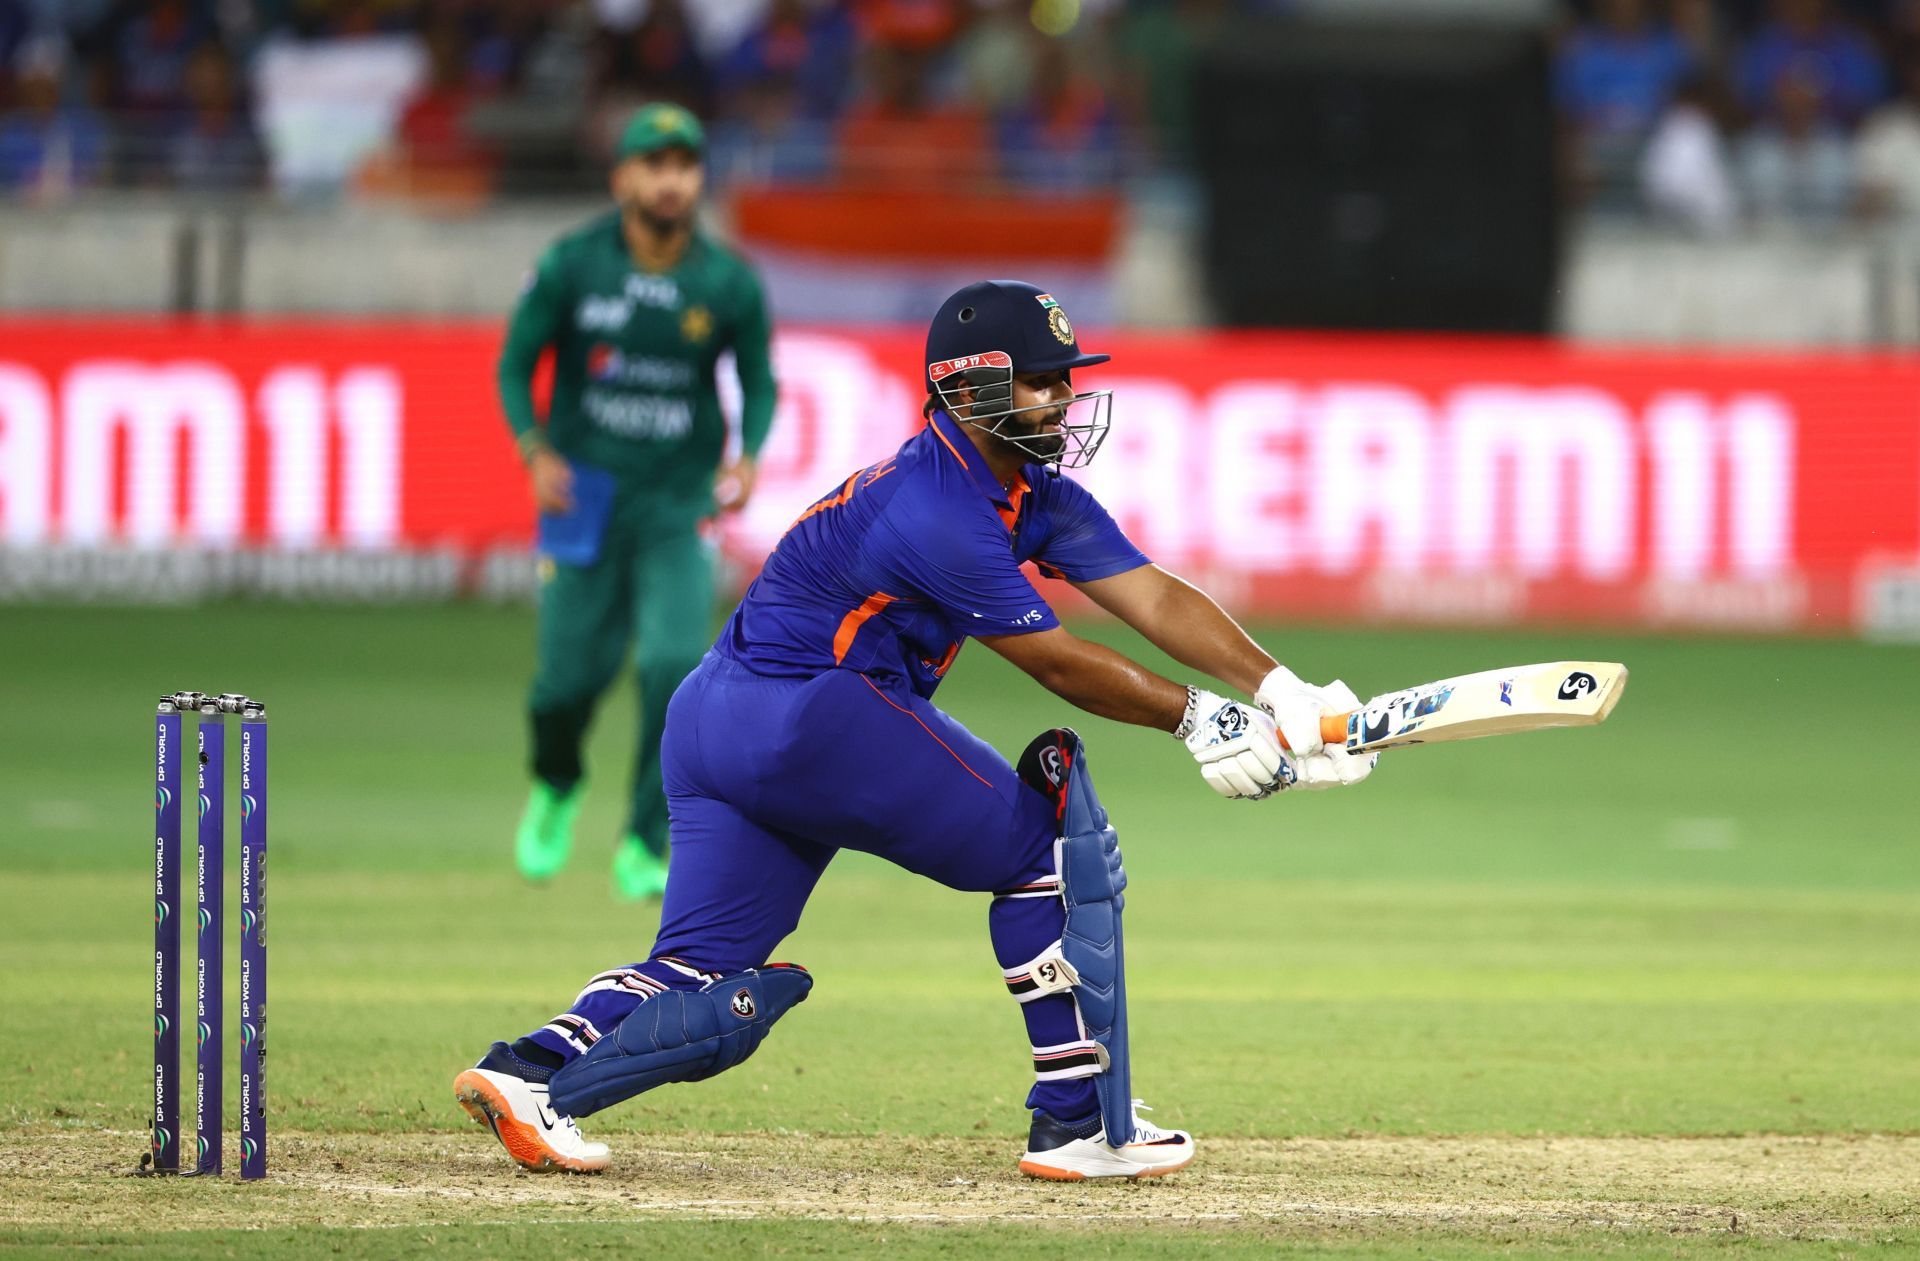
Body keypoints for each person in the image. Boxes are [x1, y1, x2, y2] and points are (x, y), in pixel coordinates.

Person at [456, 280, 1375, 1180]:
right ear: (966, 387)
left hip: (711, 720)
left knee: (698, 970)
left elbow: (1155, 596)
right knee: (1040, 850)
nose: (1065, 397)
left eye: (1066, 378)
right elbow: (1055, 661)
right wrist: (1198, 717)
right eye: (1041, 379)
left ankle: (530, 1070)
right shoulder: (935, 507)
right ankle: (1076, 1120)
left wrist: (1279, 687)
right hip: (814, 713)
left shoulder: (1031, 492)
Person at [497, 101, 776, 901]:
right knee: (563, 686)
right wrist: (534, 448)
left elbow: (758, 378)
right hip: (582, 496)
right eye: (654, 164)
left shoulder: (726, 281)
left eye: (685, 165)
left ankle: (644, 842)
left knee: (672, 668)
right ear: (623, 177)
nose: (671, 180)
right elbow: (515, 364)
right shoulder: (573, 265)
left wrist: (749, 454)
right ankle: (555, 782)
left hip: (676, 502)